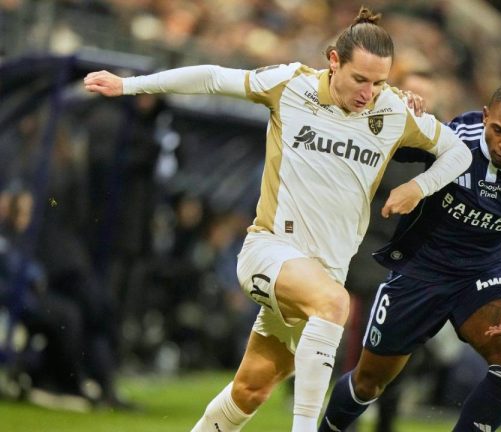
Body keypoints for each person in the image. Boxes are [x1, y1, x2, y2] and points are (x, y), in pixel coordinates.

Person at [83, 6, 471, 432]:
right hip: (270, 251)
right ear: (334, 60)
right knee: (336, 305)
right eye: (360, 79)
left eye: (379, 82)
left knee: (250, 390)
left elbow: (460, 153)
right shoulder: (290, 85)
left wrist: (418, 187)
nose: (368, 93)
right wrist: (129, 85)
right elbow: (213, 77)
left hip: (323, 275)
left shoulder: (393, 112)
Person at [319, 81, 501, 432]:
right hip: (421, 269)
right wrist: (398, 111)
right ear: (485, 117)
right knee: (368, 383)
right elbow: (395, 146)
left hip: (484, 275)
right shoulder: (457, 136)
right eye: (498, 131)